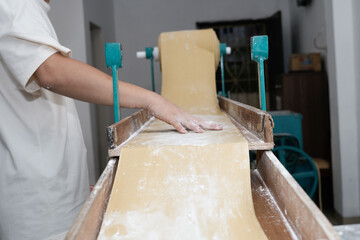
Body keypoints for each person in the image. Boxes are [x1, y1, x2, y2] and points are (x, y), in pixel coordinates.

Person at [0, 0, 222, 239]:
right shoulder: (17, 3)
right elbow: (49, 71)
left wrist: (77, 189)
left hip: (50, 196)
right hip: (42, 206)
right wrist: (153, 101)